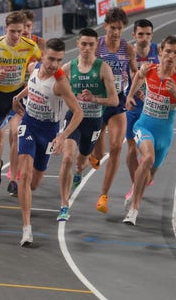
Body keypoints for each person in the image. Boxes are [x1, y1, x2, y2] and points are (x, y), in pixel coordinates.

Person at [11, 38, 83, 246]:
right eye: (51, 59)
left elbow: (78, 113)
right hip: (29, 124)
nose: (54, 65)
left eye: (59, 61)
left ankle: (25, 192)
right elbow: (32, 85)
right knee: (24, 175)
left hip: (49, 132)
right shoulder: (34, 67)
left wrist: (62, 136)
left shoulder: (61, 84)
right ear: (43, 56)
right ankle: (26, 228)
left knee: (34, 183)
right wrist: (18, 96)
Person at [123, 36, 176, 225]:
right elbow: (137, 76)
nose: (170, 56)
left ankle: (135, 190)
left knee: (148, 175)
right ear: (160, 52)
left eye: (175, 53)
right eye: (167, 51)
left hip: (165, 135)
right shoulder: (149, 69)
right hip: (144, 125)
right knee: (147, 158)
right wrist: (130, 97)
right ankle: (134, 209)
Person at [0, 12, 41, 195]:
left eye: (19, 31)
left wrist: (33, 75)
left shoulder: (30, 46)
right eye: (12, 31)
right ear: (5, 29)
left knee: (16, 132)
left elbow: (41, 65)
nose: (16, 35)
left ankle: (14, 178)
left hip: (17, 96)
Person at [58, 28, 118, 222]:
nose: (87, 48)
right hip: (74, 118)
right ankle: (64, 205)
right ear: (77, 44)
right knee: (67, 157)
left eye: (91, 44)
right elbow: (54, 87)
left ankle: (79, 170)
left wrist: (94, 99)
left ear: (97, 45)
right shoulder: (68, 67)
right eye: (83, 44)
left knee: (82, 160)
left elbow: (115, 101)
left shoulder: (103, 68)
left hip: (93, 121)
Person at [90, 7, 137, 214]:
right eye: (112, 28)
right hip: (98, 102)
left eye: (119, 28)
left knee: (117, 147)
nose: (116, 32)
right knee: (99, 153)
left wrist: (136, 92)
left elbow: (135, 72)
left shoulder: (127, 49)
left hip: (117, 103)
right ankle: (93, 154)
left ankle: (103, 196)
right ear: (105, 26)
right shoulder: (97, 46)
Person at [124, 19, 159, 204]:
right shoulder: (130, 52)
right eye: (140, 34)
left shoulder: (159, 51)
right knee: (131, 150)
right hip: (133, 107)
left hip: (153, 110)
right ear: (134, 35)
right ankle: (134, 185)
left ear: (151, 35)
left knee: (150, 154)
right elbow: (132, 76)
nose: (144, 38)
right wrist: (139, 93)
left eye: (147, 34)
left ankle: (142, 179)